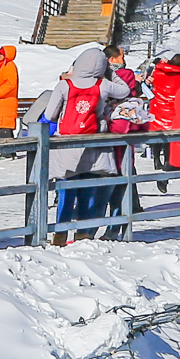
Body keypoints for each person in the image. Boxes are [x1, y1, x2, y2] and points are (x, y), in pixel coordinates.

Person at [45, 45, 132, 243]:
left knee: (66, 191)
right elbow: (125, 90)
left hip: (67, 145)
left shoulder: (65, 85)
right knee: (88, 190)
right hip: (94, 143)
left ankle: (60, 234)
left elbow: (50, 115)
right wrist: (110, 73)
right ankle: (83, 233)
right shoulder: (103, 85)